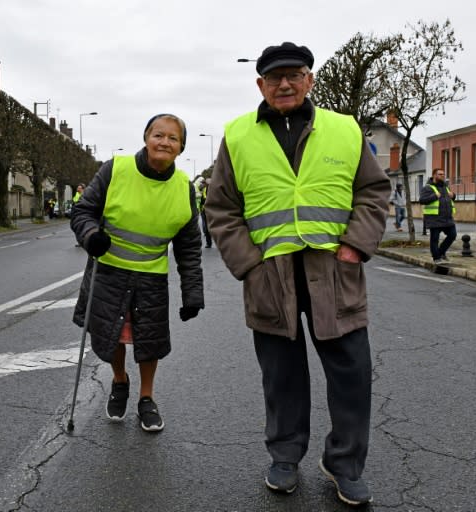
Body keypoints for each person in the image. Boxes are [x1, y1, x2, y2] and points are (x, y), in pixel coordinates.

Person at [204, 42, 389, 506]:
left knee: (352, 373)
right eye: (273, 77)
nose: (284, 84)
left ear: (309, 80)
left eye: (294, 75)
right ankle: (285, 456)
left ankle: (344, 464)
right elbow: (221, 208)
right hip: (271, 277)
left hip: (334, 271)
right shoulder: (238, 134)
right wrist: (248, 263)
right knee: (281, 376)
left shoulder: (344, 129)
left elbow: (373, 191)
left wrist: (354, 247)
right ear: (260, 84)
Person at [70, 113, 204, 432]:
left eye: (173, 138)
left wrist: (193, 293)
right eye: (158, 135)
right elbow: (83, 211)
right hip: (109, 272)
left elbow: (189, 246)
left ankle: (146, 397)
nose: (164, 142)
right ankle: (119, 380)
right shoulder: (115, 169)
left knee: (149, 341)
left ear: (181, 148)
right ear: (145, 137)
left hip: (151, 277)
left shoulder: (184, 188)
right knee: (113, 335)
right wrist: (91, 235)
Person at [419, 169, 456, 263]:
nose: (443, 176)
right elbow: (422, 200)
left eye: (443, 174)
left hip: (447, 218)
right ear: (434, 175)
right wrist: (435, 196)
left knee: (452, 235)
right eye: (440, 174)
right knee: (434, 239)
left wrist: (453, 195)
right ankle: (436, 258)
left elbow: (449, 198)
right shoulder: (427, 187)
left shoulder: (445, 186)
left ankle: (441, 252)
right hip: (434, 218)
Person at [199, 178, 212, 248]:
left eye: (203, 183)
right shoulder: (204, 189)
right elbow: (202, 199)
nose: (202, 184)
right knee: (207, 228)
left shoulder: (212, 189)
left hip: (211, 210)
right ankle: (208, 243)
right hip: (205, 210)